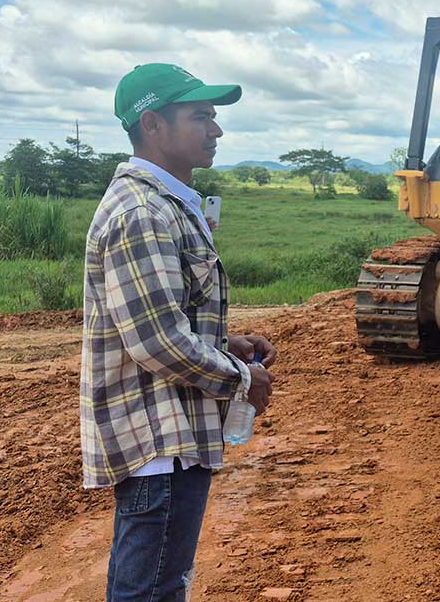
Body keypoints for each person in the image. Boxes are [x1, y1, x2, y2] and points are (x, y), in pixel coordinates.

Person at [81, 63, 278, 601]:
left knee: (155, 584)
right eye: (201, 116)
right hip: (158, 440)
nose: (216, 130)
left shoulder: (167, 204)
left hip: (170, 432)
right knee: (152, 591)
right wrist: (241, 378)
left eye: (214, 117)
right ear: (153, 125)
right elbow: (157, 342)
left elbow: (164, 318)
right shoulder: (143, 212)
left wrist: (220, 343)